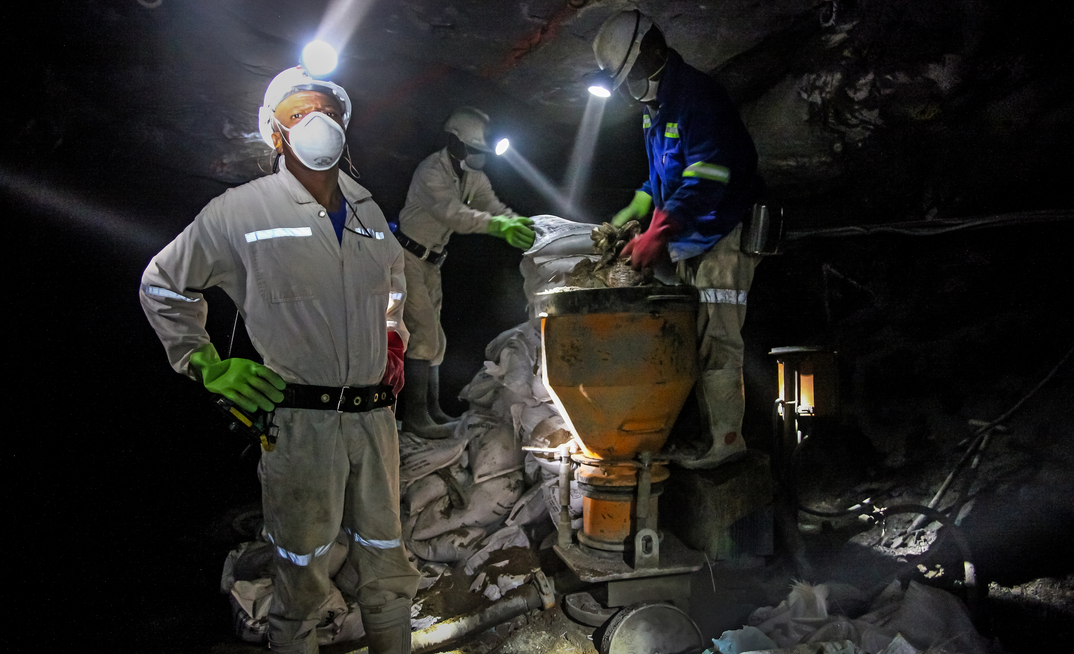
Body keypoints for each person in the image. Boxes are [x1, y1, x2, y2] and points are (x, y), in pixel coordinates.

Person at [139, 66, 419, 654]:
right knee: (302, 574)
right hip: (300, 424)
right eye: (300, 113)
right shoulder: (241, 211)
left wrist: (392, 338)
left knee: (387, 564)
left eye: (329, 112)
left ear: (344, 126)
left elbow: (392, 287)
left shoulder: (368, 212)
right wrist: (207, 364)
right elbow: (163, 284)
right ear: (275, 132)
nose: (319, 121)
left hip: (375, 421)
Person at [594, 10, 765, 469]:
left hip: (723, 233)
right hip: (693, 237)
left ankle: (726, 442)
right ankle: (700, 433)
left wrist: (659, 232)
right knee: (692, 337)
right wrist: (637, 208)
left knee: (718, 339)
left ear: (654, 49)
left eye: (631, 73)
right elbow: (662, 178)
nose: (630, 87)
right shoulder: (656, 109)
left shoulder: (698, 98)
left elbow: (707, 177)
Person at [394, 107, 535, 438]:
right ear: (455, 143)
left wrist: (521, 223)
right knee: (422, 334)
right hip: (405, 258)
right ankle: (415, 417)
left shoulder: (473, 176)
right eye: (474, 150)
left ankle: (432, 410)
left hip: (432, 262)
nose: (479, 157)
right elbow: (454, 215)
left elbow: (493, 207)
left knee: (435, 338)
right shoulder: (431, 171)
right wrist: (498, 227)